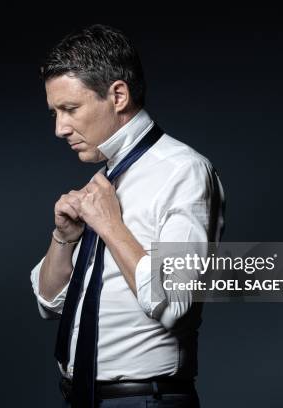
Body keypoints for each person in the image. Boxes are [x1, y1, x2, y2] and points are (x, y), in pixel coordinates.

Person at [29, 24, 225, 408]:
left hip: (145, 400)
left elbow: (176, 304)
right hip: (82, 397)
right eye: (54, 112)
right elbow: (49, 304)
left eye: (70, 109)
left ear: (118, 95)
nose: (59, 128)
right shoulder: (105, 181)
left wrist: (110, 226)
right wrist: (64, 238)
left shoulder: (181, 171)